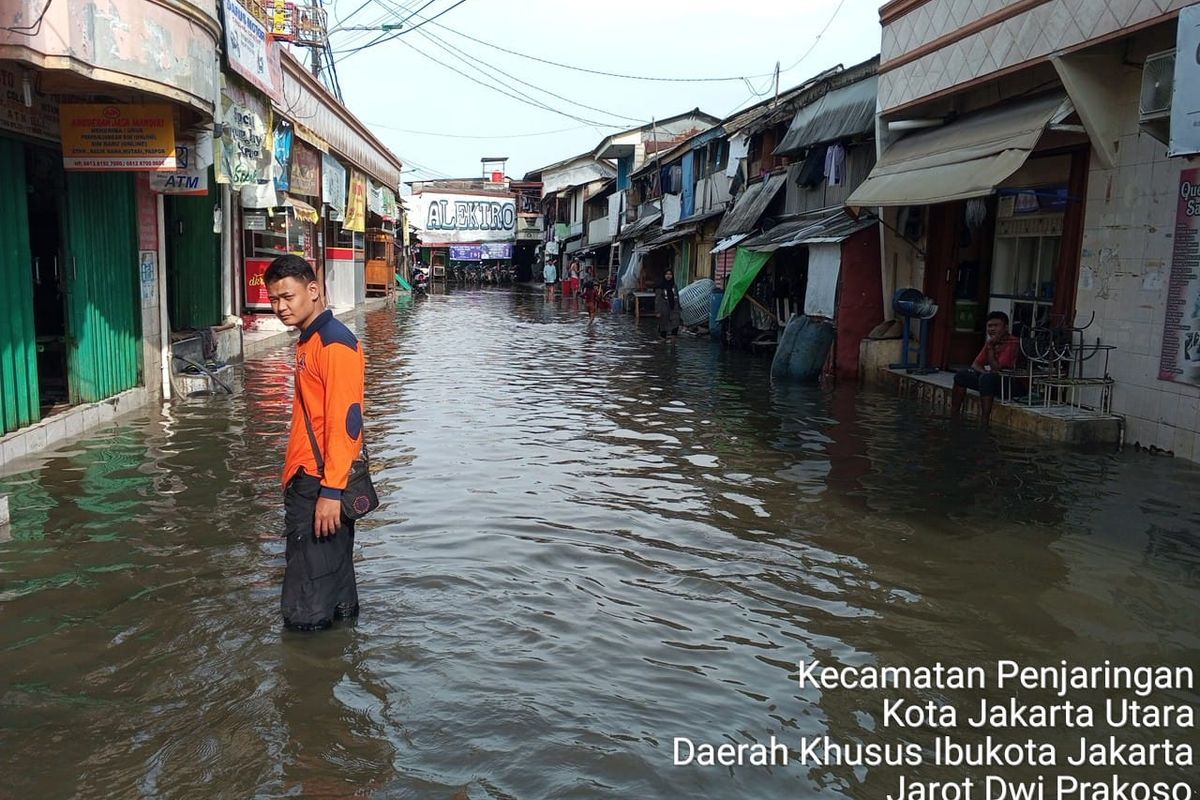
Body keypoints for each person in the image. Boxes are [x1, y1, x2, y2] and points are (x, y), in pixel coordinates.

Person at [265, 254, 366, 631]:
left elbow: (347, 424)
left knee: (305, 605)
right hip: (314, 482)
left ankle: (307, 679)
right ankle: (336, 660)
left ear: (313, 290)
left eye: (288, 297)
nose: (280, 307)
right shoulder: (310, 341)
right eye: (274, 299)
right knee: (333, 589)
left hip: (321, 486)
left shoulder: (334, 343)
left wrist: (331, 491)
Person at [952, 310, 1021, 425]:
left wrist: (990, 349)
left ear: (1006, 328)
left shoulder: (1013, 343)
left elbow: (997, 369)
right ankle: (954, 414)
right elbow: (975, 364)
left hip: (1012, 384)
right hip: (995, 380)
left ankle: (984, 421)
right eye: (990, 326)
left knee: (987, 379)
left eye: (996, 326)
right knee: (961, 375)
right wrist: (984, 372)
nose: (992, 329)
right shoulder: (991, 342)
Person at [655, 267, 682, 338]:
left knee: (675, 327)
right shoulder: (660, 287)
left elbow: (677, 296)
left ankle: (673, 346)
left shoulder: (674, 286)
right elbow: (658, 300)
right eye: (666, 274)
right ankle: (662, 345)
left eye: (670, 274)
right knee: (663, 328)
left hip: (674, 309)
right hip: (664, 309)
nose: (668, 276)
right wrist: (658, 311)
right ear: (664, 275)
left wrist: (679, 307)